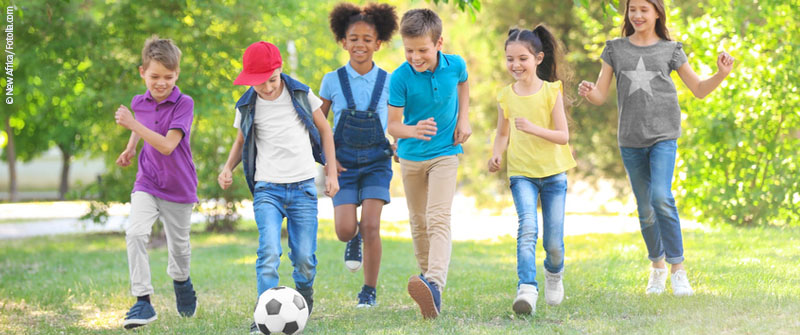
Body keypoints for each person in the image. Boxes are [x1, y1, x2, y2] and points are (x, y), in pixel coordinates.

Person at [578, 0, 734, 297]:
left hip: (664, 135)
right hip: (630, 139)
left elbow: (699, 90)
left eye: (644, 9)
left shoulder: (671, 50)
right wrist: (589, 92)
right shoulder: (614, 49)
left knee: (662, 197)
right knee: (646, 209)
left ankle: (679, 270)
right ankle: (657, 268)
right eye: (632, 9)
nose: (636, 15)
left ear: (657, 13)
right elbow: (600, 94)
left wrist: (721, 74)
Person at [216, 41, 338, 333]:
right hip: (267, 189)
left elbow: (325, 130)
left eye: (271, 80)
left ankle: (303, 302)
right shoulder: (248, 103)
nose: (267, 88)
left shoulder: (300, 93)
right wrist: (226, 167)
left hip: (303, 188)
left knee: (304, 258)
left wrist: (331, 173)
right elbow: (241, 141)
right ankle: (263, 317)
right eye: (258, 83)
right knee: (268, 251)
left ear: (280, 70)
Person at [387, 8, 471, 319]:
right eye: (409, 50)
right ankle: (429, 291)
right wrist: (413, 130)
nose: (415, 57)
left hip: (446, 153)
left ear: (439, 43)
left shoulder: (456, 65)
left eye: (422, 50)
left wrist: (464, 118)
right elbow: (393, 125)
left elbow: (463, 84)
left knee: (438, 218)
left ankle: (434, 282)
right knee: (418, 222)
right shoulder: (400, 77)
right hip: (410, 158)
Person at [488, 25, 576, 315]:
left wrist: (533, 128)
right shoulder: (505, 96)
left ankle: (554, 272)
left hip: (553, 173)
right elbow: (502, 133)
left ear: (538, 58)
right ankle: (526, 288)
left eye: (522, 58)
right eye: (510, 59)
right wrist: (496, 154)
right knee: (527, 228)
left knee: (553, 241)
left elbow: (563, 136)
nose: (515, 65)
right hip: (521, 173)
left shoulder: (552, 91)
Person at [114, 35, 198, 329]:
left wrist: (133, 125)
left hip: (179, 187)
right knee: (135, 233)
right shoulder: (140, 102)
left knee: (179, 250)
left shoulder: (183, 104)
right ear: (142, 73)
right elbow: (142, 122)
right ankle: (142, 301)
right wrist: (130, 147)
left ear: (177, 74)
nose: (161, 83)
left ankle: (181, 281)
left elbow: (166, 146)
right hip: (147, 181)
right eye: (154, 76)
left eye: (168, 77)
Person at [319, 2, 399, 308]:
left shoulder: (391, 81)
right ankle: (352, 239)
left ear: (378, 43)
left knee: (371, 226)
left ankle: (369, 290)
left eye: (367, 39)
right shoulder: (332, 80)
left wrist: (399, 145)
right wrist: (328, 161)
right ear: (343, 41)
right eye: (353, 38)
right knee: (344, 230)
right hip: (343, 165)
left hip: (378, 162)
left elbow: (398, 121)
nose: (360, 44)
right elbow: (318, 126)